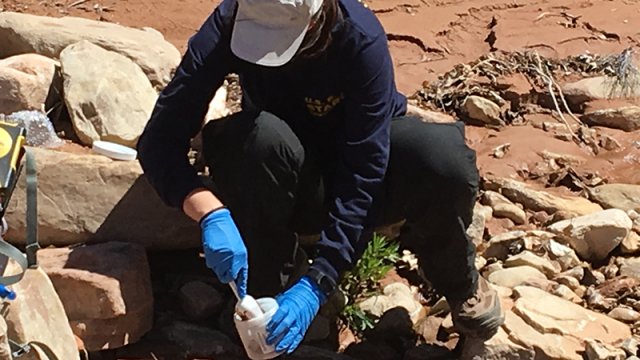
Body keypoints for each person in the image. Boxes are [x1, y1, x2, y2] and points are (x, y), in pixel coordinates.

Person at [137, 0, 504, 354]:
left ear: (313, 21)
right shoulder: (231, 21)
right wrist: (208, 212)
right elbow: (158, 141)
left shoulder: (359, 38)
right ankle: (264, 294)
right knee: (253, 139)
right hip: (283, 174)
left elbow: (365, 169)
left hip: (360, 177)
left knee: (443, 159)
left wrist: (319, 282)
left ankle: (458, 281)